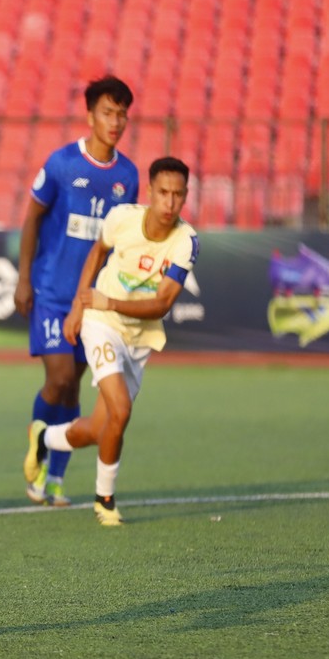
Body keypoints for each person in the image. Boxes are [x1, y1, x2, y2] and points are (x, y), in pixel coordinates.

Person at [24, 156, 197, 526]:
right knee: (121, 410)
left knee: (101, 429)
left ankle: (44, 438)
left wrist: (107, 300)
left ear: (185, 197)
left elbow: (162, 304)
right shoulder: (122, 218)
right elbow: (97, 251)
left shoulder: (186, 241)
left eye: (178, 195)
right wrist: (80, 305)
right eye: (163, 192)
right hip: (101, 324)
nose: (169, 202)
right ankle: (104, 499)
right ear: (149, 191)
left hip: (139, 338)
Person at [13, 76, 141, 507]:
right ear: (90, 116)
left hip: (93, 302)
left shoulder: (128, 176)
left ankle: (54, 477)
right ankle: (38, 444)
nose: (116, 121)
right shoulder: (63, 164)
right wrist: (23, 277)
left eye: (122, 113)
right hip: (51, 293)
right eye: (108, 112)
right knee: (60, 378)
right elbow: (31, 218)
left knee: (75, 387)